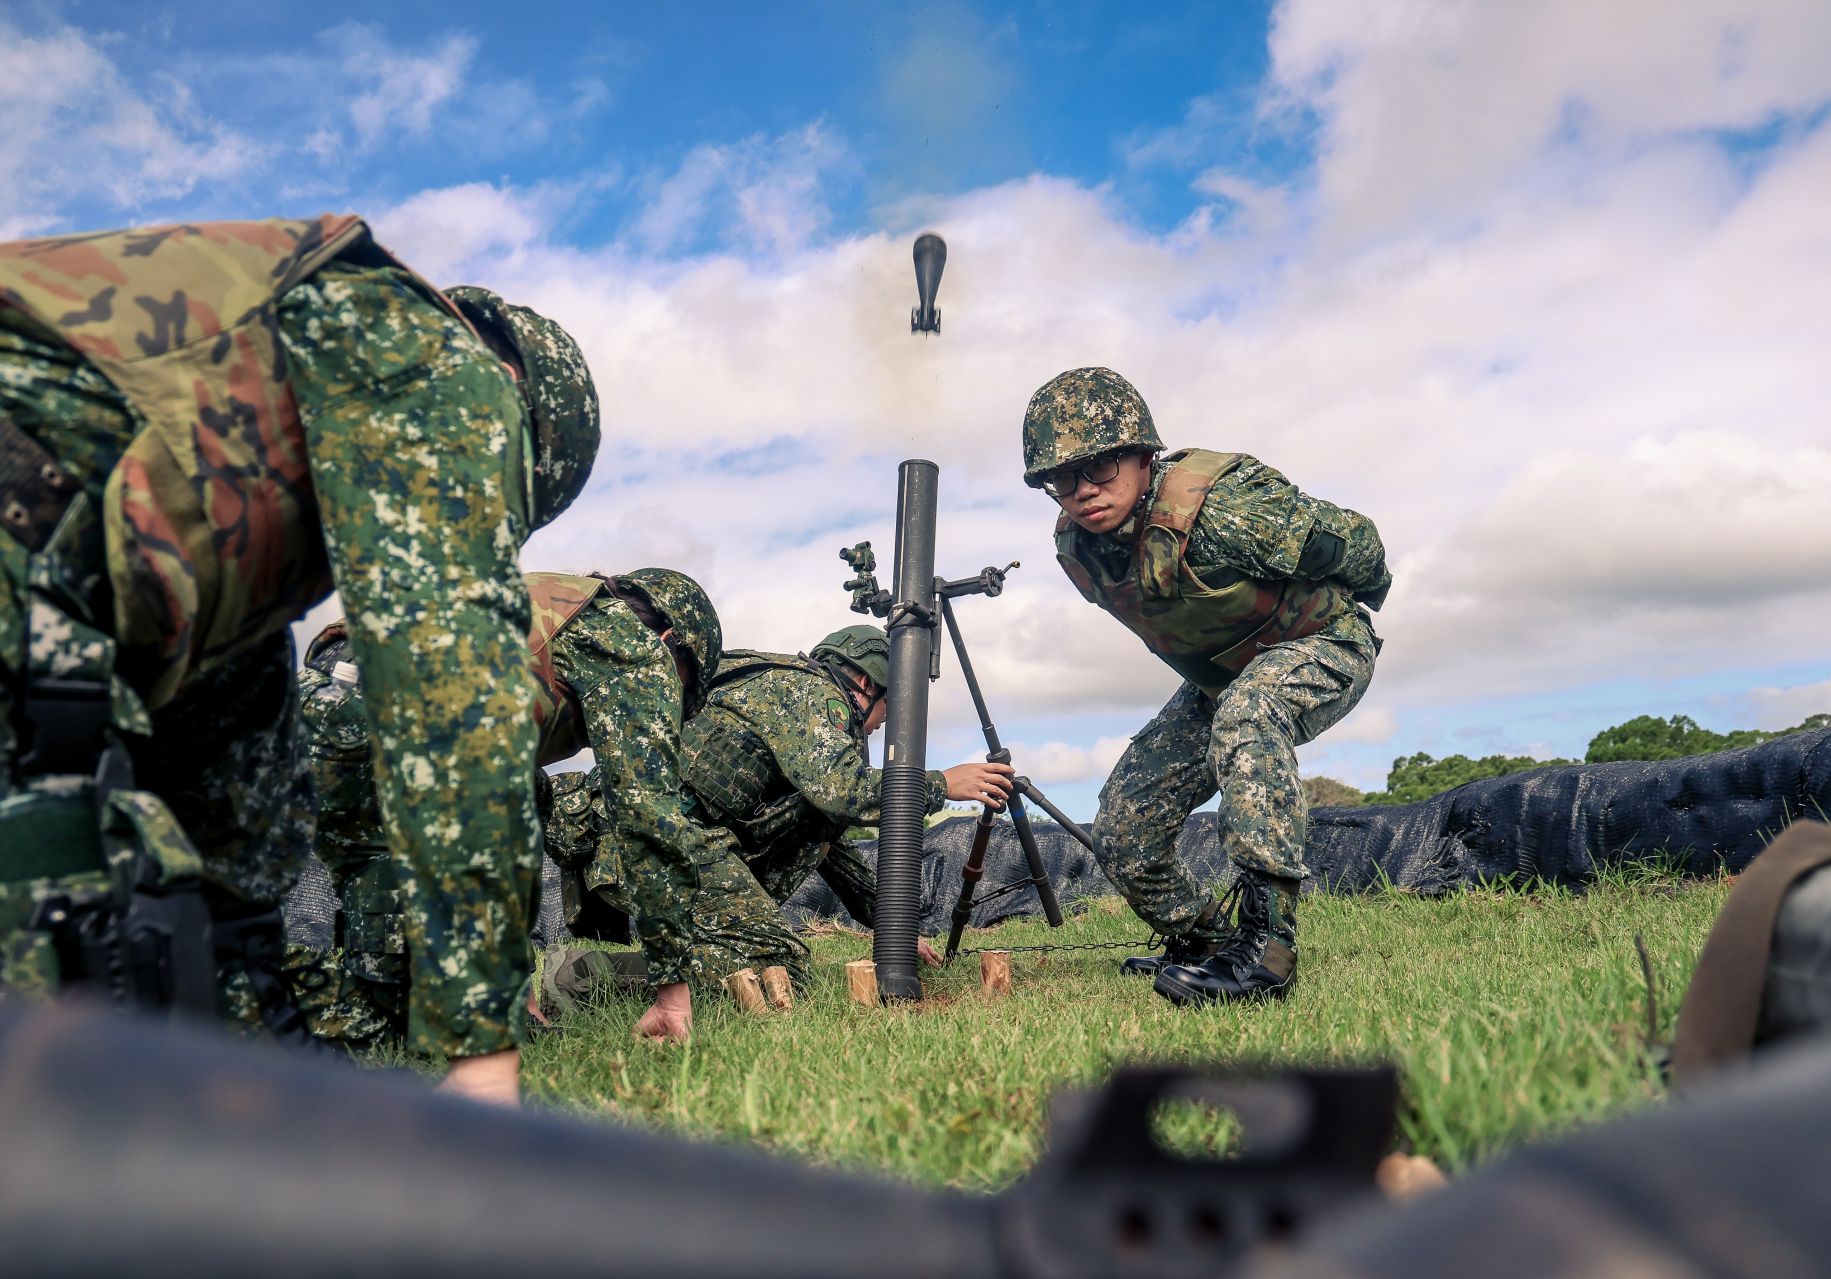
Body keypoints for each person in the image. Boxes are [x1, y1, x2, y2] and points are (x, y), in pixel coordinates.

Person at [0, 214, 598, 1107]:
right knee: (66, 922)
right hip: (28, 524)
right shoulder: (440, 364)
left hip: (58, 543)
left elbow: (234, 800)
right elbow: (450, 683)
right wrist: (481, 1059)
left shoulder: (256, 448)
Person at [1021, 367, 1390, 1006]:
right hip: (1224, 679)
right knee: (1124, 826)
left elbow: (1357, 544)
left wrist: (1356, 596)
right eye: (1060, 479)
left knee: (1249, 717)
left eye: (1100, 469)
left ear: (1142, 456)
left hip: (1324, 643)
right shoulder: (1079, 549)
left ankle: (1267, 952)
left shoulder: (1223, 510)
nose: (1081, 491)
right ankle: (1204, 944)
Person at [293, 567, 723, 1050]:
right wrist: (672, 992)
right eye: (683, 692)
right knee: (381, 1022)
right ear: (671, 642)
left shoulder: (556, 601)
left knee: (384, 975)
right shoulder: (633, 644)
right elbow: (647, 820)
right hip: (392, 724)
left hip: (320, 702)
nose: (672, 707)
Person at [551, 624, 1014, 993]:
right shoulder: (811, 693)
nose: (883, 723)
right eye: (888, 706)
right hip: (653, 838)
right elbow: (844, 791)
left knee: (766, 960)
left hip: (654, 839)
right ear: (863, 681)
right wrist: (939, 784)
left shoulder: (795, 702)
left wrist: (893, 928)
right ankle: (593, 975)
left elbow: (828, 840)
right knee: (779, 968)